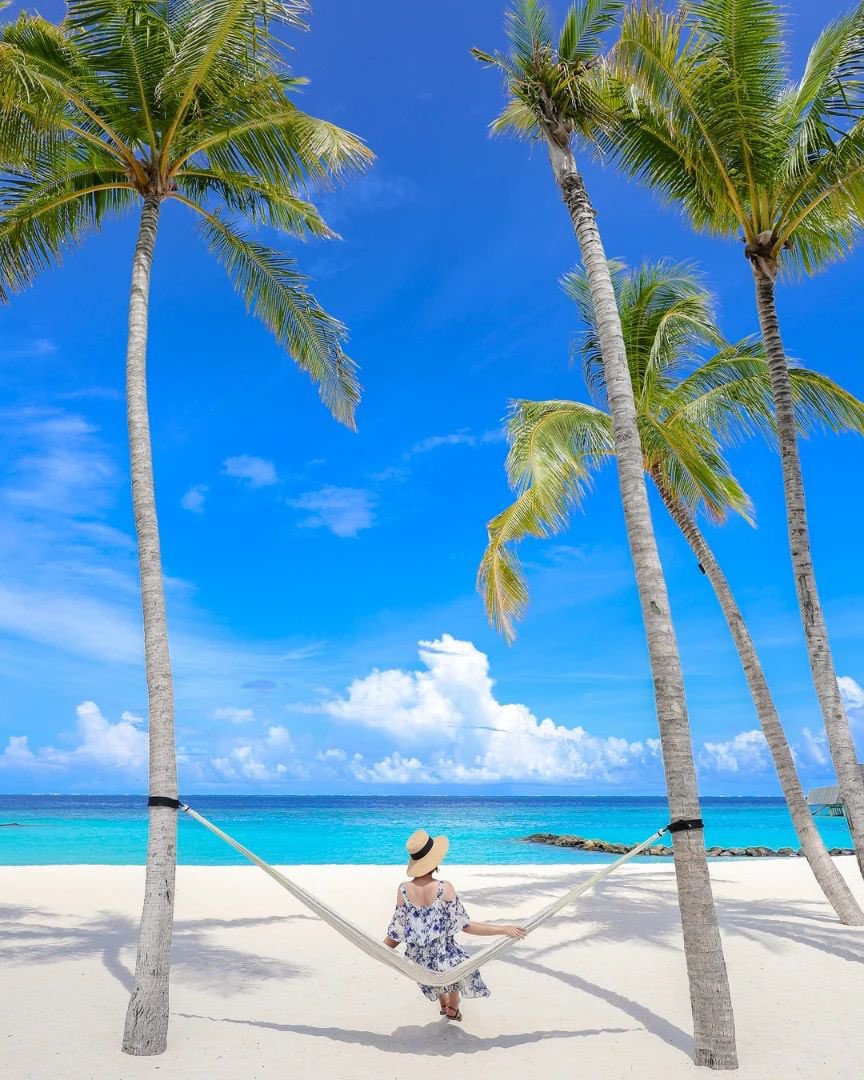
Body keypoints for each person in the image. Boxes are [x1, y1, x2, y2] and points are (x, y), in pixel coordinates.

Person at [383, 828, 526, 1021]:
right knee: (457, 963)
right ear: (435, 862)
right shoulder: (444, 888)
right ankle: (453, 1006)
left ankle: (444, 1005)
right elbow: (465, 926)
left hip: (420, 961)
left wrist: (379, 949)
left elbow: (396, 931)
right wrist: (503, 929)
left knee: (437, 968)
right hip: (444, 959)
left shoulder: (403, 890)